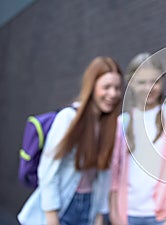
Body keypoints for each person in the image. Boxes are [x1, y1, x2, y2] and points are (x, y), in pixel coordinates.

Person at [18, 56, 124, 225]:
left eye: (117, 88)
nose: (113, 94)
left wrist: (99, 215)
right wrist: (52, 217)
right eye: (106, 87)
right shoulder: (68, 118)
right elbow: (48, 170)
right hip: (62, 206)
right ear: (92, 87)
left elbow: (104, 174)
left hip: (89, 206)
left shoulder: (110, 126)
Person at [108, 53, 166, 225]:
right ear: (130, 82)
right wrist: (115, 215)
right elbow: (114, 176)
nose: (149, 87)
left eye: (155, 81)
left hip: (164, 216)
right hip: (129, 215)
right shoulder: (121, 123)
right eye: (142, 82)